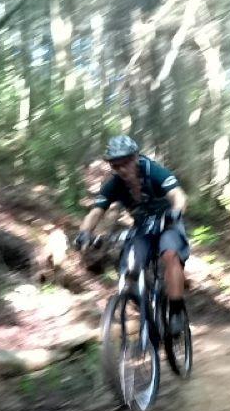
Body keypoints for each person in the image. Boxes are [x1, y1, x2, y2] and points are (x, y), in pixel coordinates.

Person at [75, 135, 190, 335]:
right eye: (115, 165)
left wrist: (176, 211)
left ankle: (176, 311)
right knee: (129, 267)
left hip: (168, 222)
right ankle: (143, 307)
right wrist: (84, 233)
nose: (121, 169)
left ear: (136, 157)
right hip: (143, 229)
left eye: (126, 162)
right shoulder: (114, 184)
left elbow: (178, 195)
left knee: (171, 254)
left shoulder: (153, 171)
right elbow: (96, 211)